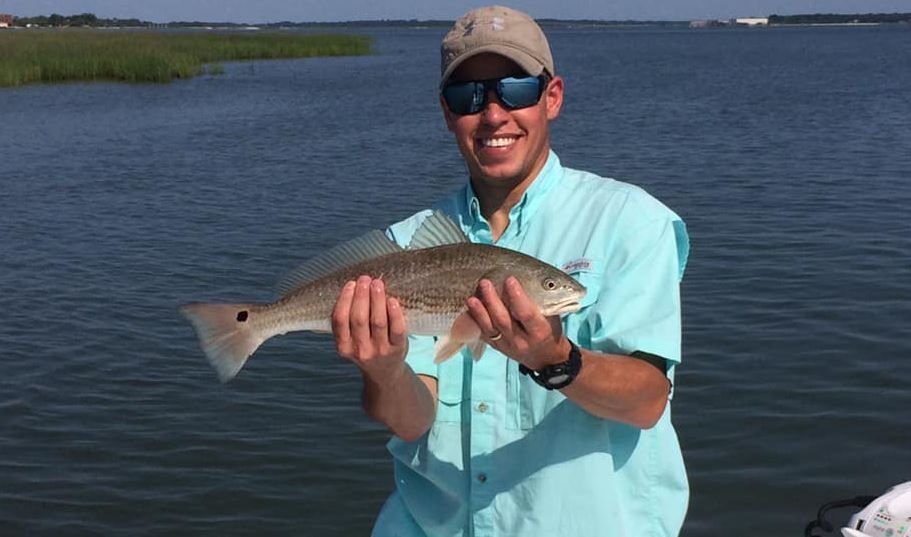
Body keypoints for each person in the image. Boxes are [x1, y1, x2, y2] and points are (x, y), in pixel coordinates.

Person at [331, 6, 690, 536]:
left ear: (553, 97)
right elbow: (412, 420)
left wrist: (557, 361)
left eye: (515, 88)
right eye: (468, 96)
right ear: (447, 113)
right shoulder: (407, 243)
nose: (493, 114)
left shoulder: (632, 222)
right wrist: (383, 371)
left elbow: (647, 401)